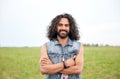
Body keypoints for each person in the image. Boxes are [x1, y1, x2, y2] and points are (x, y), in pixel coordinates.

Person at [39, 13, 84, 79]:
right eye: (60, 25)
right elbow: (43, 70)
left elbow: (78, 69)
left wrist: (52, 67)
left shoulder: (78, 46)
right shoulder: (46, 46)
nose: (63, 28)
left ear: (70, 28)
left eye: (66, 25)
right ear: (55, 27)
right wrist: (65, 64)